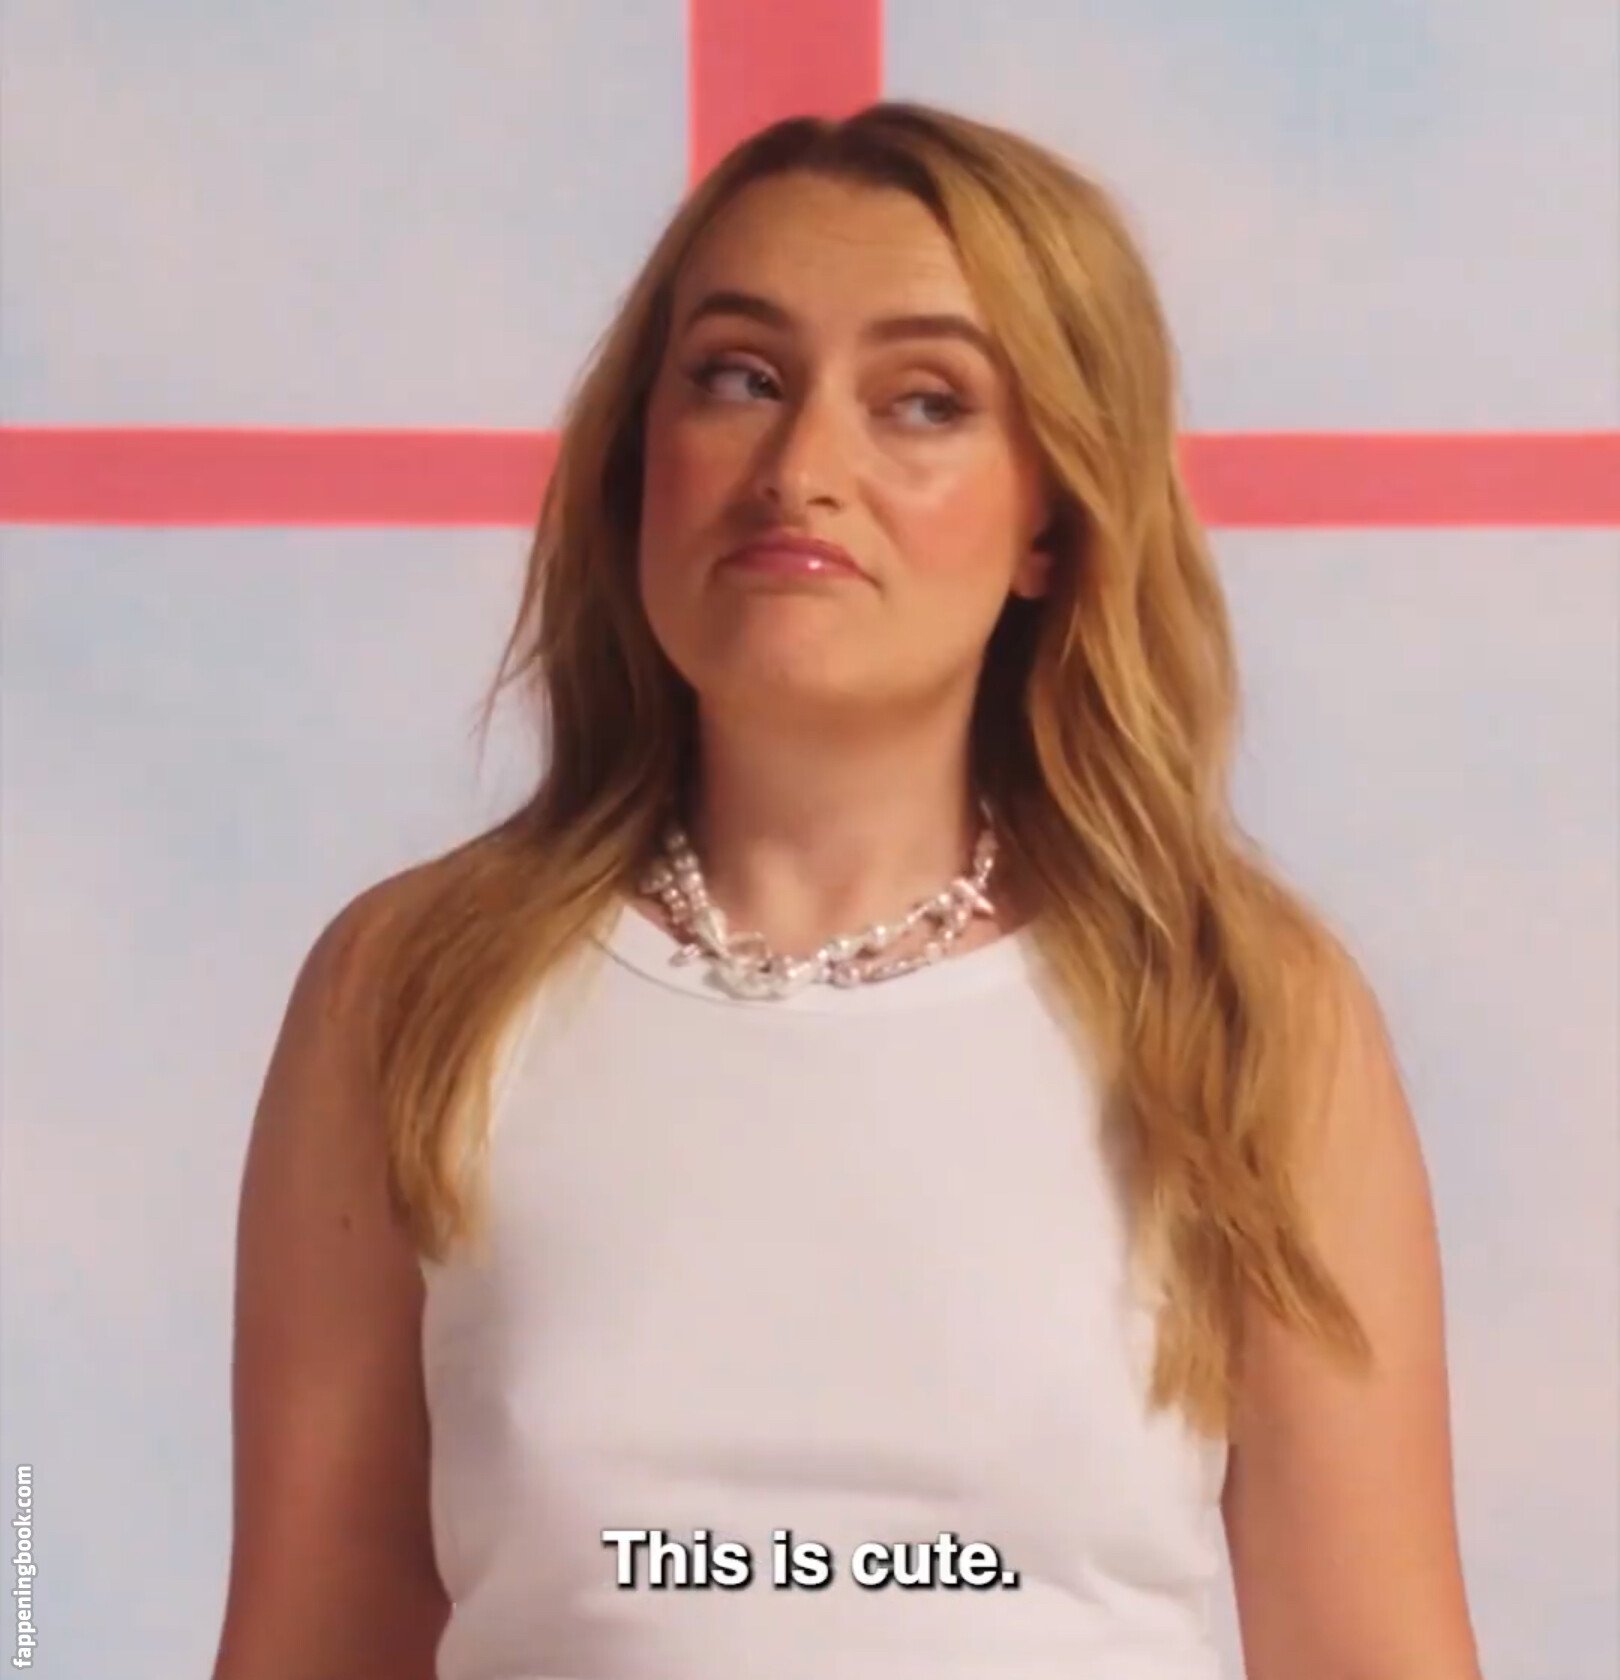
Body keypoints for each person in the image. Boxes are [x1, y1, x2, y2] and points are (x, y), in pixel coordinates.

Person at [210, 102, 1485, 1680]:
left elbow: (1375, 1652)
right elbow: (312, 1643)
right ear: (639, 457)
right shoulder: (410, 987)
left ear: (1051, 516)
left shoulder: (1247, 1008)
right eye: (739, 378)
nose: (802, 470)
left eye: (925, 402)